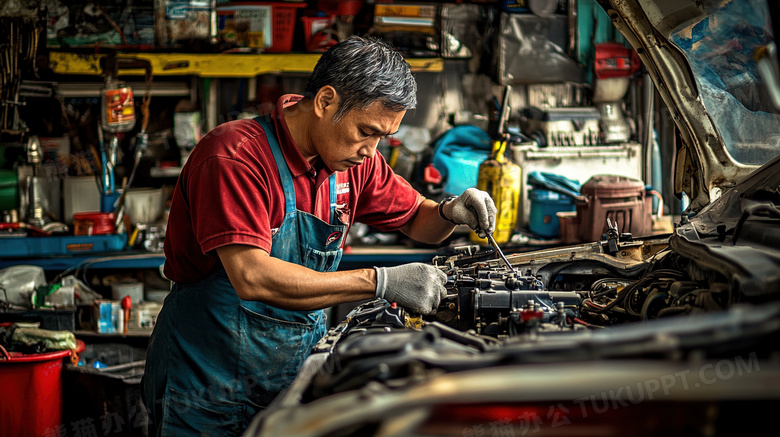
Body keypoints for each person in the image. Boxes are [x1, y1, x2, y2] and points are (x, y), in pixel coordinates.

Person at [142, 35, 497, 436]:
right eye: (366, 130)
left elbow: (419, 219)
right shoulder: (234, 156)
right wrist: (380, 282)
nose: (371, 149)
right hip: (206, 381)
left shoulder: (355, 163)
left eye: (382, 136)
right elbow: (251, 277)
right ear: (325, 101)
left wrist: (451, 211)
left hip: (289, 376)